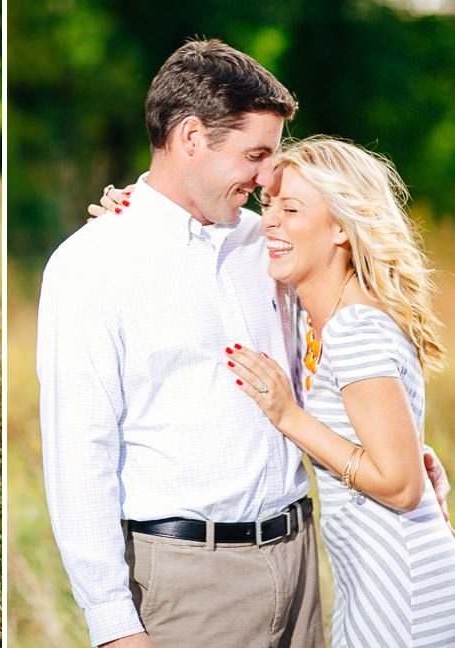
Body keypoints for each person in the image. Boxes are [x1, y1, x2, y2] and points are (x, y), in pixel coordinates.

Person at [37, 39, 321, 648]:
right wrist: (112, 621)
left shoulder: (268, 242)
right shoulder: (92, 263)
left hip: (300, 562)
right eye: (255, 154)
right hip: (188, 584)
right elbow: (78, 450)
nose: (267, 176)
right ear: (191, 137)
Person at [225, 137, 455, 646]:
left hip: (403, 589)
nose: (270, 222)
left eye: (292, 208)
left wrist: (289, 417)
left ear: (342, 230)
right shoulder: (315, 314)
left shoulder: (354, 329)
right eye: (269, 206)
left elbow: (401, 486)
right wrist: (135, 201)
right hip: (372, 580)